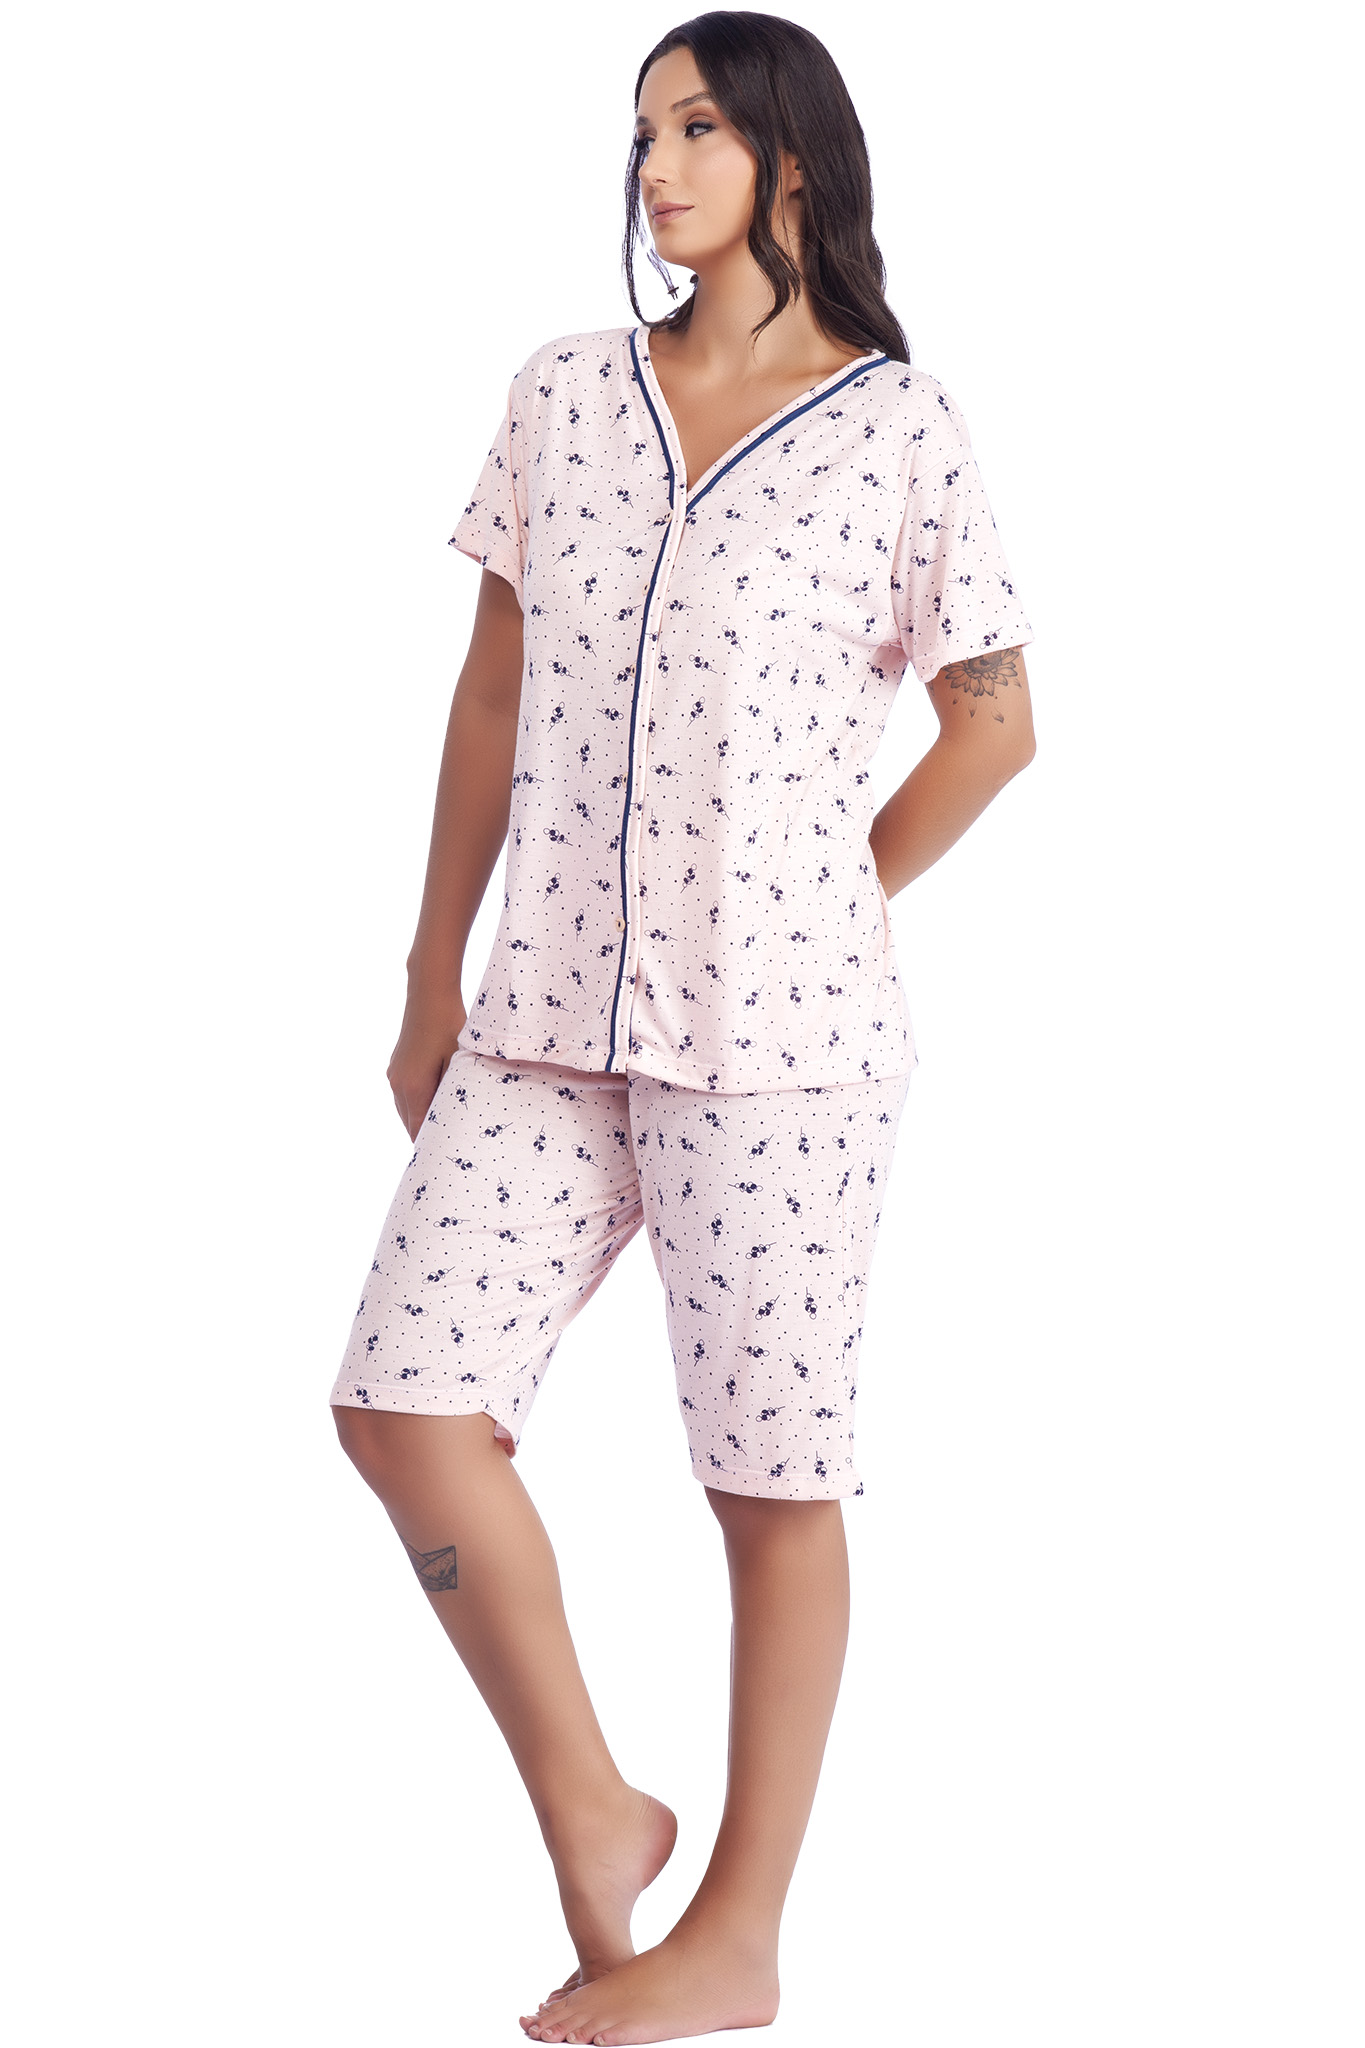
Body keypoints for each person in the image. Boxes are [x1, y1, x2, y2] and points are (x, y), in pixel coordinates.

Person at [329, 11, 1036, 2042]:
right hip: (542, 1020)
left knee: (767, 1480)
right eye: (641, 130)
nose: (654, 166)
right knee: (402, 1406)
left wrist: (833, 892)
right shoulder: (563, 393)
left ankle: (737, 1932)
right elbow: (489, 692)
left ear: (790, 157)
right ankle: (594, 1802)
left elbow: (996, 723)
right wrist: (428, 970)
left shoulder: (901, 429)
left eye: (698, 127)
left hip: (784, 1048)